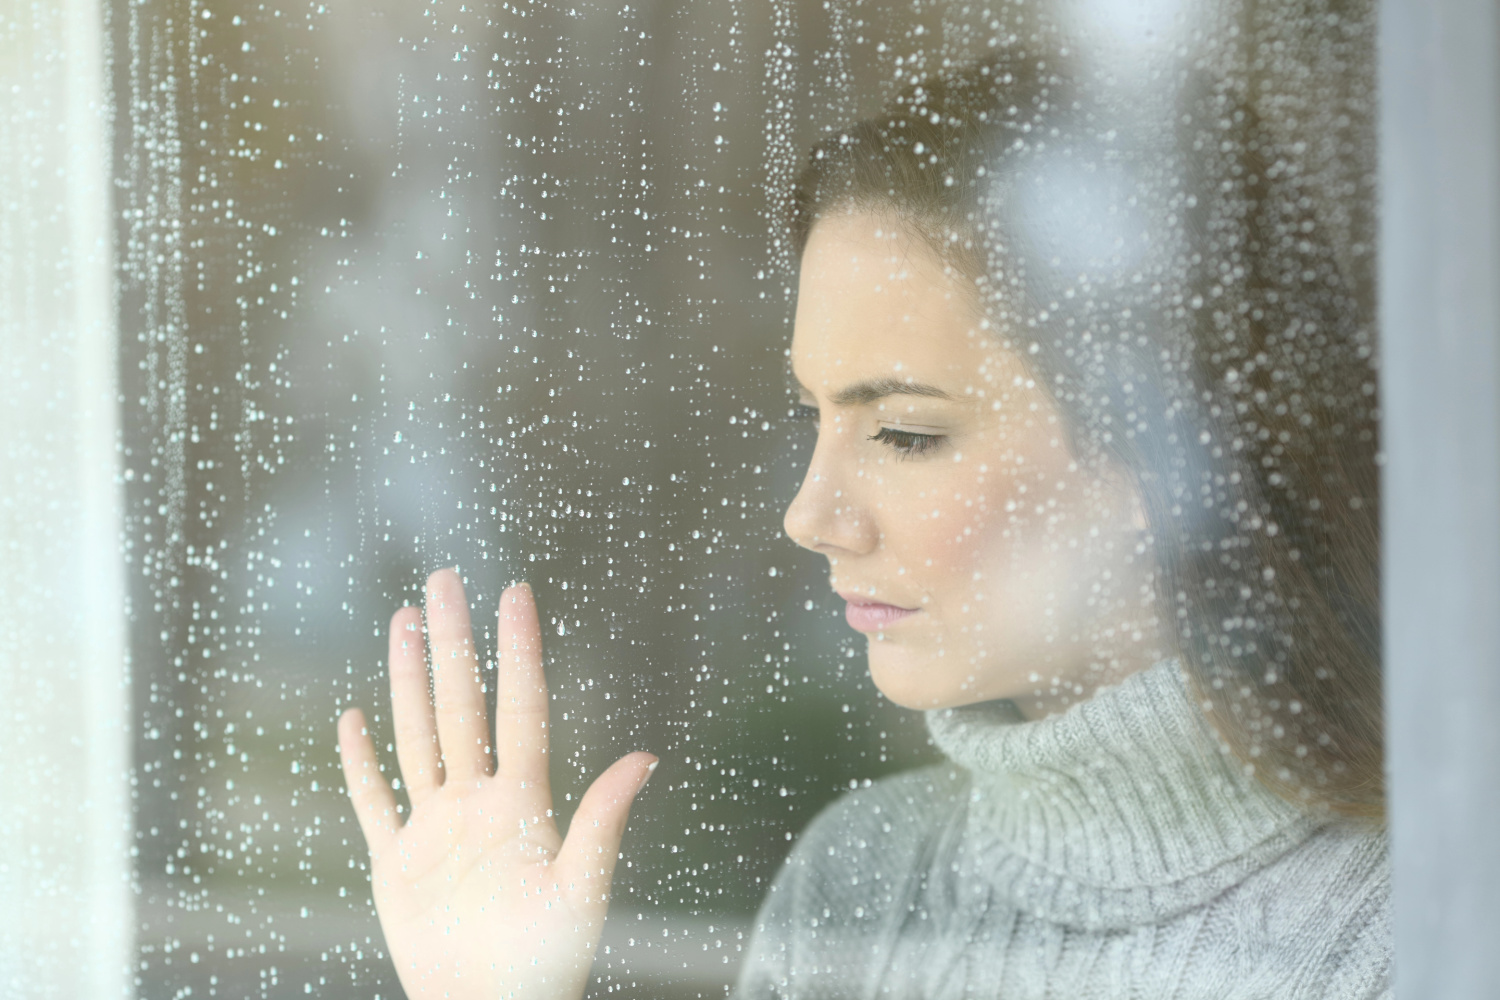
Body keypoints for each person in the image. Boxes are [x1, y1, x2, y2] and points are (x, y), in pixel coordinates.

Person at [337, 51, 1389, 1000]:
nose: (809, 514)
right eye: (813, 415)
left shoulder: (1425, 925)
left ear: (1166, 446)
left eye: (904, 432)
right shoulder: (859, 884)